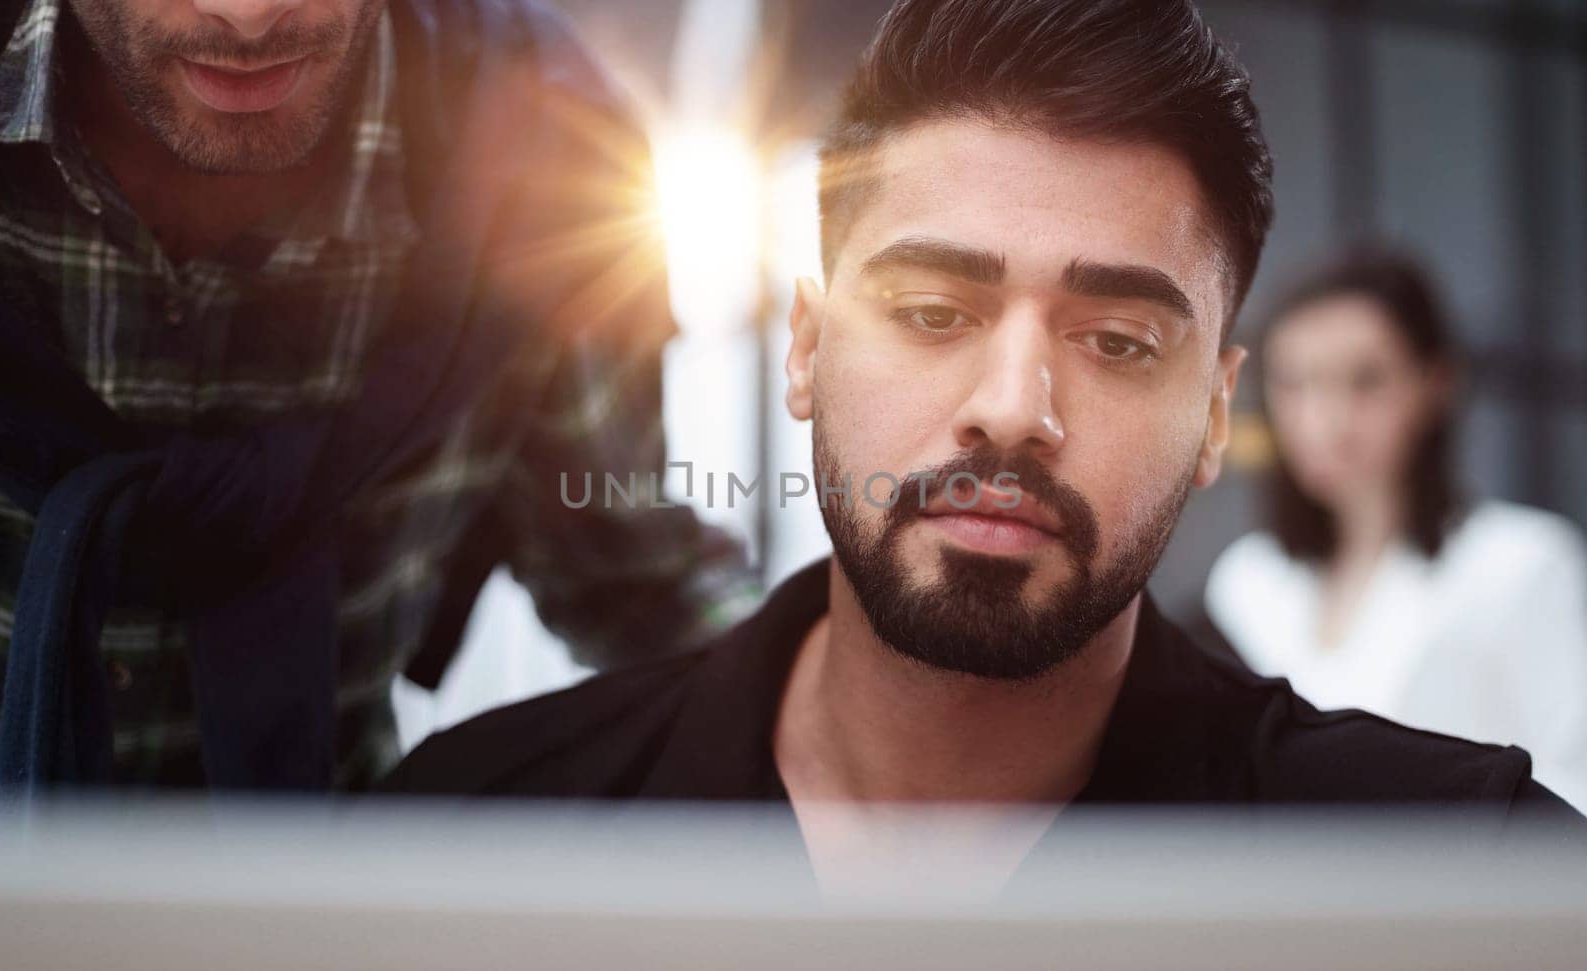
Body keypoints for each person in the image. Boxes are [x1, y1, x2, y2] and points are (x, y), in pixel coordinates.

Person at [385, 0, 1581, 891]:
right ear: (803, 350)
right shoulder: (473, 835)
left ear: (1216, 413)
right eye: (931, 313)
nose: (1012, 408)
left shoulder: (1461, 873)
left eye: (1116, 341)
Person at [0, 0, 755, 795]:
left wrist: (852, 691)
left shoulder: (544, 153)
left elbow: (635, 579)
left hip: (324, 900)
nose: (249, 16)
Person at [1205, 249, 1587, 810]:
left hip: (1480, 888)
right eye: (1296, 384)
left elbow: (1575, 779)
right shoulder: (1249, 579)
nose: (1326, 420)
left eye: (1365, 381)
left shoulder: (1521, 563)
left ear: (1435, 382)